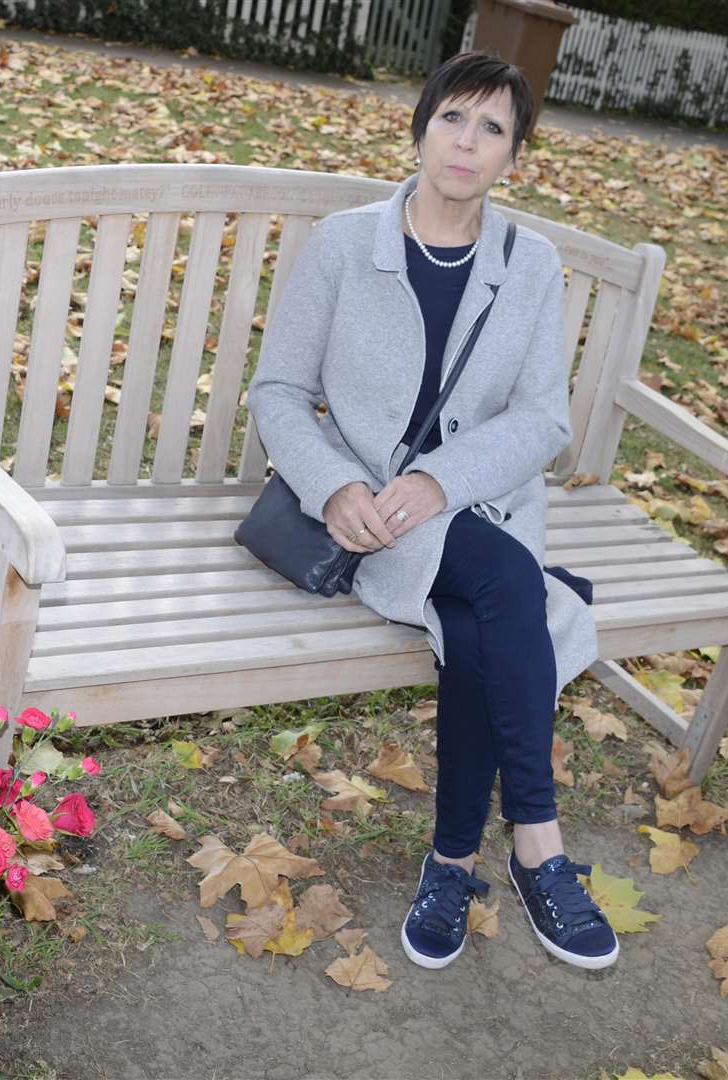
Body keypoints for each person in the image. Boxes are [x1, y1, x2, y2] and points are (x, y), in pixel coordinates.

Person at [245, 51, 618, 972]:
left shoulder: (530, 266)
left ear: (514, 157)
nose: (467, 142)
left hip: (479, 507)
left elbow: (542, 419)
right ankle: (538, 849)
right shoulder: (343, 245)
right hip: (363, 520)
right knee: (507, 592)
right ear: (419, 128)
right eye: (454, 117)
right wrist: (337, 485)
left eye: (493, 129)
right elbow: (281, 391)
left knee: (485, 599)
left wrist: (444, 483)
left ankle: (457, 860)